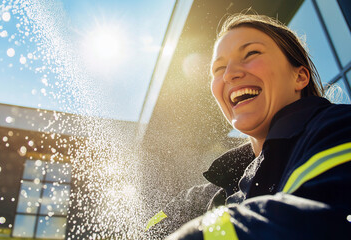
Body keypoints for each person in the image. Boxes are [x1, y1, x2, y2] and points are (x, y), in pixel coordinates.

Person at [145, 13, 351, 239]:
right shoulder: (219, 186)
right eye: (218, 68)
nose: (230, 74)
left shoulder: (339, 129)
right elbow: (159, 222)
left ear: (300, 77)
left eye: (251, 53)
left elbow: (320, 218)